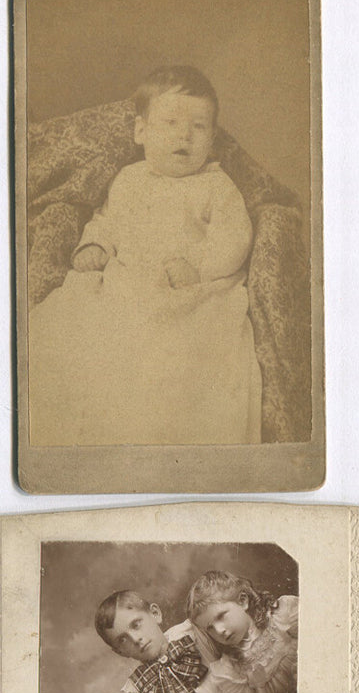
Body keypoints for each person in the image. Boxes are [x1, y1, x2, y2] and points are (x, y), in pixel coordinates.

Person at [28, 65, 261, 446]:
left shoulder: (216, 186)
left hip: (185, 293)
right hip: (126, 282)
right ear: (141, 131)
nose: (184, 134)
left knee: (177, 360)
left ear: (213, 138)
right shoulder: (128, 180)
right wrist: (95, 246)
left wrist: (200, 269)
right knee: (73, 330)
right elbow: (106, 220)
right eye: (169, 122)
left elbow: (235, 238)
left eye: (198, 127)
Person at [95, 589, 260, 693]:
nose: (136, 639)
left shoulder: (195, 633)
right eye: (122, 640)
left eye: (136, 625)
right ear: (119, 652)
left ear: (155, 614)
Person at [188, 571, 299, 693]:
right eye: (210, 628)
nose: (219, 630)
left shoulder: (282, 616)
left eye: (221, 616)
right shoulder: (230, 669)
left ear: (242, 602)